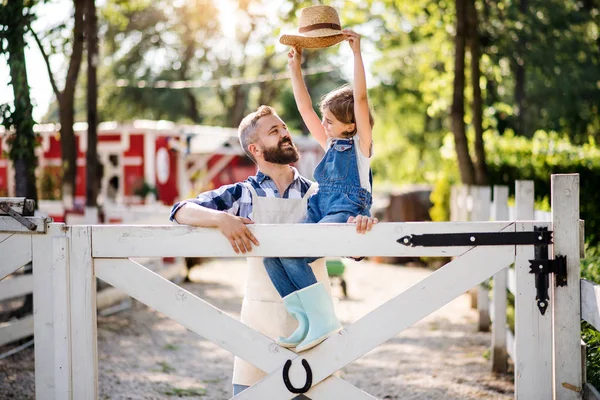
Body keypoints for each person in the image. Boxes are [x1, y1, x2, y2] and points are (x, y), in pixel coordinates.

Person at [169, 105, 377, 397]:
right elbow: (180, 210)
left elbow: (354, 253)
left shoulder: (319, 194)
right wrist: (221, 219)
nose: (285, 134)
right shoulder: (242, 195)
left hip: (317, 335)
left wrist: (359, 227)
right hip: (259, 329)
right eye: (274, 131)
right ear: (255, 148)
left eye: (284, 128)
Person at [263, 28, 375, 354]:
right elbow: (305, 110)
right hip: (320, 209)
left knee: (302, 243)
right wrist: (294, 67)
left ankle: (323, 317)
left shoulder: (360, 147)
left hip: (345, 210)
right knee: (274, 253)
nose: (323, 124)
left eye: (330, 120)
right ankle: (307, 320)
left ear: (351, 124)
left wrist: (356, 53)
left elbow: (363, 100)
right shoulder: (328, 144)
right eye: (324, 119)